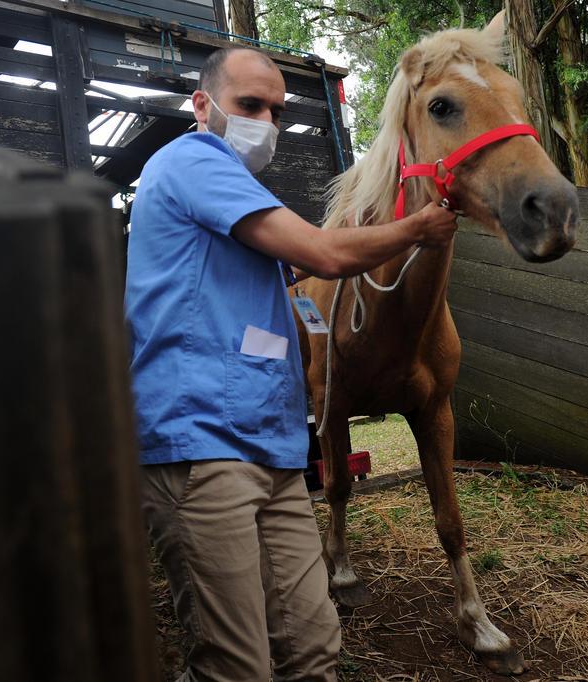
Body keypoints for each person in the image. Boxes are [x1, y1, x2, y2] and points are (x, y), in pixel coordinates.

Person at [126, 46, 458, 681]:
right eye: (249, 105)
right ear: (202, 105)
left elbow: (300, 264)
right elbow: (322, 253)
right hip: (202, 448)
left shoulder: (242, 193)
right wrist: (415, 229)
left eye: (276, 110)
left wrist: (385, 201)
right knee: (235, 666)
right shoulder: (192, 162)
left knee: (313, 645)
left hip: (271, 449)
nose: (265, 122)